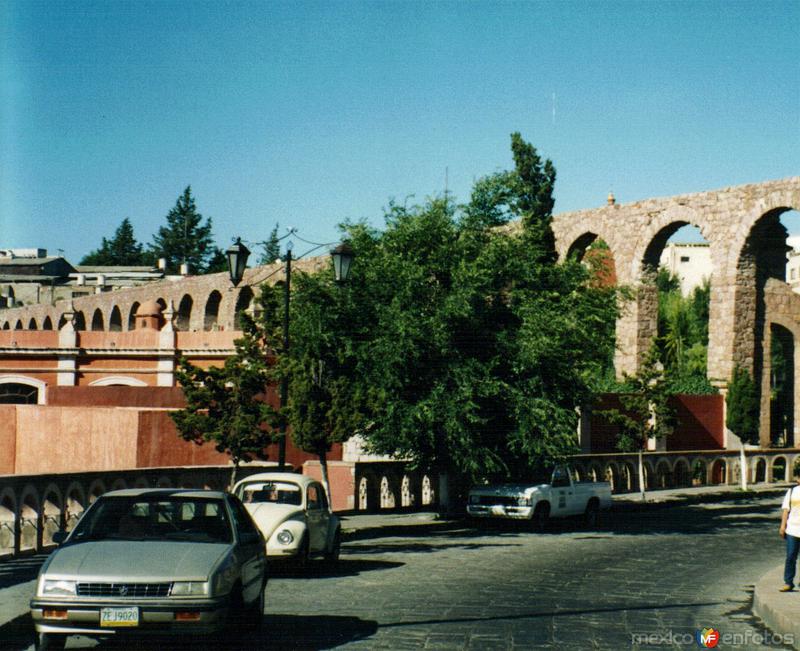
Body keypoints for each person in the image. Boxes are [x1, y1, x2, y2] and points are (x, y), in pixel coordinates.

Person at [779, 463, 800, 591]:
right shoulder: (791, 492)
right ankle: (788, 582)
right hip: (792, 529)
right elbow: (786, 510)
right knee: (791, 556)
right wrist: (782, 527)